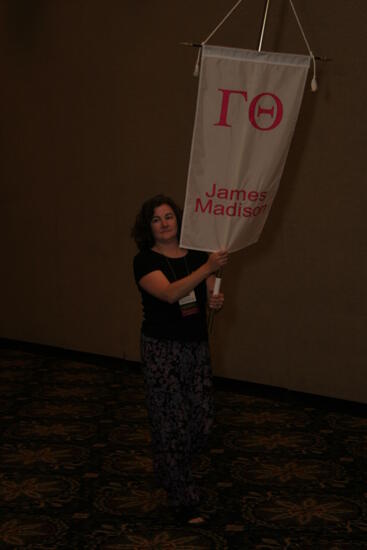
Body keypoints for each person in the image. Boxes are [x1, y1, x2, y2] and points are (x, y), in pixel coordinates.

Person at [132, 194, 228, 524]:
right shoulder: (144, 261)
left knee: (201, 419)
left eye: (169, 216)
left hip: (195, 346)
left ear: (179, 220)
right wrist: (207, 268)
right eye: (156, 219)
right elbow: (172, 294)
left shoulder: (197, 255)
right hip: (162, 349)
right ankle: (183, 498)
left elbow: (211, 291)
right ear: (149, 227)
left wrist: (216, 298)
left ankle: (167, 466)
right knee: (172, 421)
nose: (164, 223)